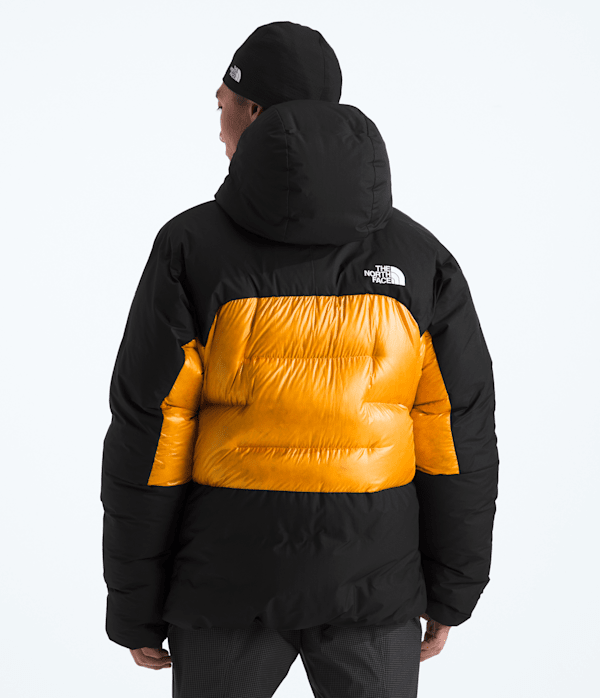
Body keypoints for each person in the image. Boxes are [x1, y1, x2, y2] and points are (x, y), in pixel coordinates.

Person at [101, 20, 499, 698]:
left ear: (255, 110)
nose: (217, 121)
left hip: (226, 588)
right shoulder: (420, 257)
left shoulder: (189, 248)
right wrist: (452, 586)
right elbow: (455, 432)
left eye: (224, 102)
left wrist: (135, 601)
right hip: (374, 589)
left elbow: (153, 435)